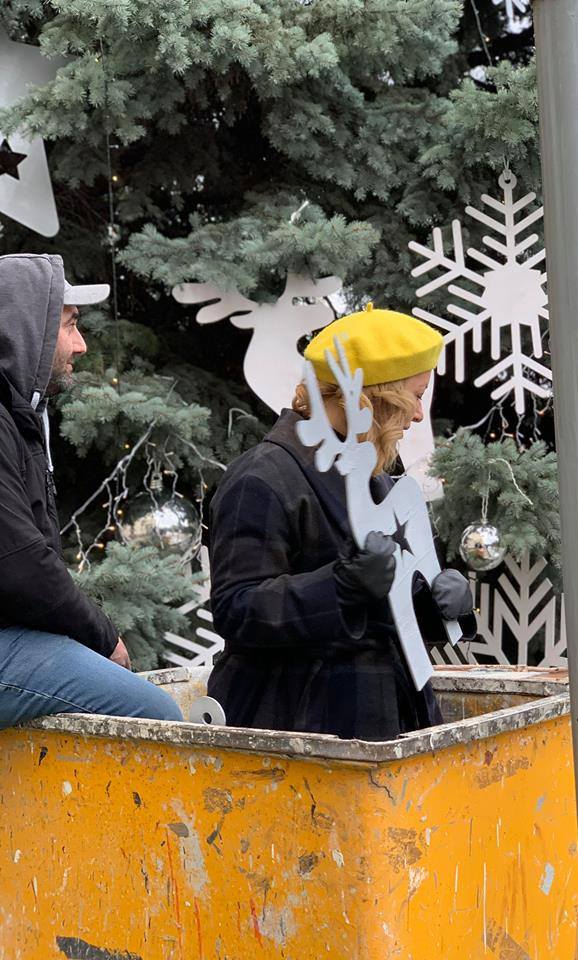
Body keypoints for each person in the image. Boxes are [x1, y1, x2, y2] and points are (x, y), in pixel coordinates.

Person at [207, 303, 475, 740]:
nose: (418, 415)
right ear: (371, 395)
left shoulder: (375, 474)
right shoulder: (262, 477)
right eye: (416, 396)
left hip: (391, 718)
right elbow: (237, 610)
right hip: (298, 731)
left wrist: (436, 604)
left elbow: (386, 610)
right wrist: (339, 587)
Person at [0, 253, 182, 728]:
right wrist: (103, 636)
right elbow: (19, 563)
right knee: (156, 716)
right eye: (70, 325)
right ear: (26, 329)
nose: (81, 345)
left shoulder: (17, 415)